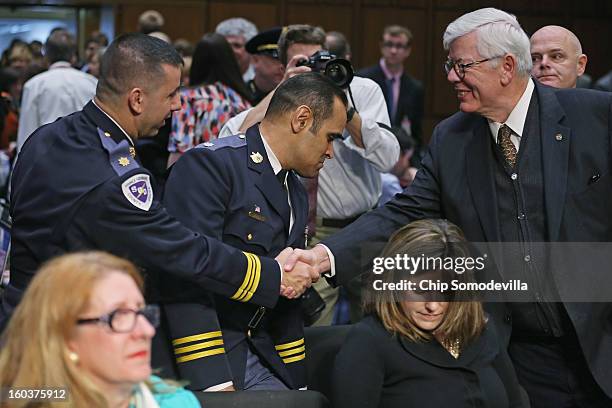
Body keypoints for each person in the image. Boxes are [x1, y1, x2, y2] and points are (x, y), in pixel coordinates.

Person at [289, 7, 612, 408]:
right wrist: (323, 256)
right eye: (449, 65)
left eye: (461, 66)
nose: (450, 77)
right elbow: (402, 212)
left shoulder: (597, 118)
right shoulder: (453, 139)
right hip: (515, 356)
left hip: (601, 342)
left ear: (506, 67)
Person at [1, 33, 316, 333]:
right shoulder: (114, 176)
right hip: (65, 334)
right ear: (137, 99)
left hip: (21, 313)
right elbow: (179, 248)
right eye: (171, 94)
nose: (178, 104)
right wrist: (269, 274)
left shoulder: (46, 137)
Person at [162, 73, 348, 391]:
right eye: (330, 137)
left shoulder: (295, 189)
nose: (330, 151)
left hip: (261, 349)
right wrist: (214, 383)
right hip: (209, 354)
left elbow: (285, 305)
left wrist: (297, 382)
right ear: (301, 119)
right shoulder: (211, 166)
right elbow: (184, 279)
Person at [220, 24, 399, 325]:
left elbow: (389, 157)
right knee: (314, 331)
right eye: (302, 63)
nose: (314, 70)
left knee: (380, 324)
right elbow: (232, 138)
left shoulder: (362, 91)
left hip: (363, 226)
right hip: (311, 234)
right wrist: (285, 90)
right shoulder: (277, 101)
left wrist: (343, 106)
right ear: (283, 68)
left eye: (318, 60)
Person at [332, 219, 523, 408]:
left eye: (446, 292)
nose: (432, 305)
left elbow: (516, 402)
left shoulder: (481, 330)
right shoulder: (369, 342)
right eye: (420, 291)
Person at [0, 251, 199, 407]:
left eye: (141, 312)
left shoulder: (175, 402)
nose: (147, 331)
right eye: (119, 316)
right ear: (64, 336)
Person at [167, 33, 253, 165]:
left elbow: (180, 148)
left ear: (198, 61)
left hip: (199, 175)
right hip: (234, 175)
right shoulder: (242, 100)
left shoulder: (188, 98)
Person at [16, 29, 97, 152]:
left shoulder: (34, 85)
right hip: (87, 158)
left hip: (46, 160)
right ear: (73, 57)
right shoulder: (92, 83)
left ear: (46, 56)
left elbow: (27, 135)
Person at [358, 25, 424, 159]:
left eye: (399, 46)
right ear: (381, 46)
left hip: (401, 156)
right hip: (367, 151)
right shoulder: (363, 79)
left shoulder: (415, 87)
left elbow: (416, 133)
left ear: (408, 50)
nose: (393, 50)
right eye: (389, 44)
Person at [245, 27, 285, 104]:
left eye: (286, 60)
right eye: (277, 59)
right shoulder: (240, 95)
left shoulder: (295, 96)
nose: (283, 66)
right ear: (255, 60)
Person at [215, 17, 258, 83]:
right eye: (226, 45)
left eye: (237, 45)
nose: (230, 51)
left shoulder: (259, 79)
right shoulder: (211, 77)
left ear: (250, 50)